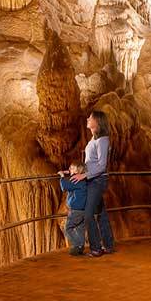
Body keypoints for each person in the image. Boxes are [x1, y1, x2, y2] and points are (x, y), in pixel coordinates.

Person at [70, 110, 114, 257]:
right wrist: (74, 170)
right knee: (101, 213)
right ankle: (108, 245)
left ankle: (96, 248)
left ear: (98, 121)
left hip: (97, 180)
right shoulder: (93, 139)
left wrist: (84, 175)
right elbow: (90, 163)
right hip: (91, 179)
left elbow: (101, 166)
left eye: (91, 117)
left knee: (88, 215)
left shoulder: (103, 140)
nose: (88, 119)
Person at [58, 162, 88, 256]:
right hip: (83, 209)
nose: (70, 168)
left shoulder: (75, 179)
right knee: (80, 228)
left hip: (76, 210)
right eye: (70, 167)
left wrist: (62, 176)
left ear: (78, 171)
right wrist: (70, 172)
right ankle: (81, 246)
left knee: (68, 228)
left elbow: (64, 187)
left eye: (72, 168)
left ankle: (76, 245)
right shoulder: (83, 179)